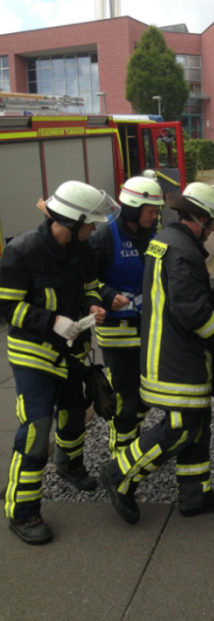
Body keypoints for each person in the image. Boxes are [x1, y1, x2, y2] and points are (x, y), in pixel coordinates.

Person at [101, 182, 214, 524]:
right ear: (199, 219)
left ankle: (195, 495)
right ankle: (119, 474)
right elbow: (192, 311)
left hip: (168, 352)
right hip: (176, 359)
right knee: (180, 426)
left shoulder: (163, 240)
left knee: (199, 425)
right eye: (213, 221)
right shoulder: (183, 250)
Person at [0, 182, 120, 544]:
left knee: (72, 414)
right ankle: (22, 512)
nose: (95, 229)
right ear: (72, 220)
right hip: (34, 356)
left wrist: (93, 306)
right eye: (91, 223)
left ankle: (69, 464)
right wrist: (51, 320)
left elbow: (91, 287)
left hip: (72, 352)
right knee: (37, 431)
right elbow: (7, 307)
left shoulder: (81, 250)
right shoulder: (21, 252)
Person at [89, 175, 165, 457]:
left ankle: (133, 445)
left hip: (148, 329)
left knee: (148, 395)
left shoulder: (153, 235)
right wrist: (108, 295)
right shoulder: (104, 236)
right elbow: (85, 281)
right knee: (125, 399)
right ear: (133, 208)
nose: (155, 215)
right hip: (117, 334)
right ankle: (122, 461)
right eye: (151, 210)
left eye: (157, 210)